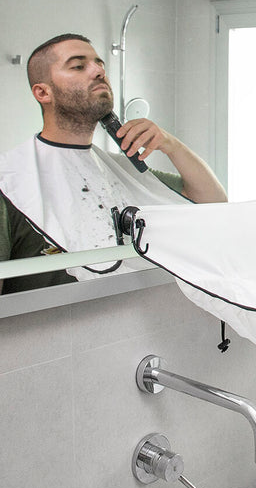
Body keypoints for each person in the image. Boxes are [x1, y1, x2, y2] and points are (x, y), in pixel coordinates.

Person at [0, 33, 227, 293]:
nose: (98, 71)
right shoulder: (10, 179)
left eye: (100, 64)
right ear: (43, 92)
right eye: (78, 66)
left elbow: (214, 203)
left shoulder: (121, 168)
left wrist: (171, 145)